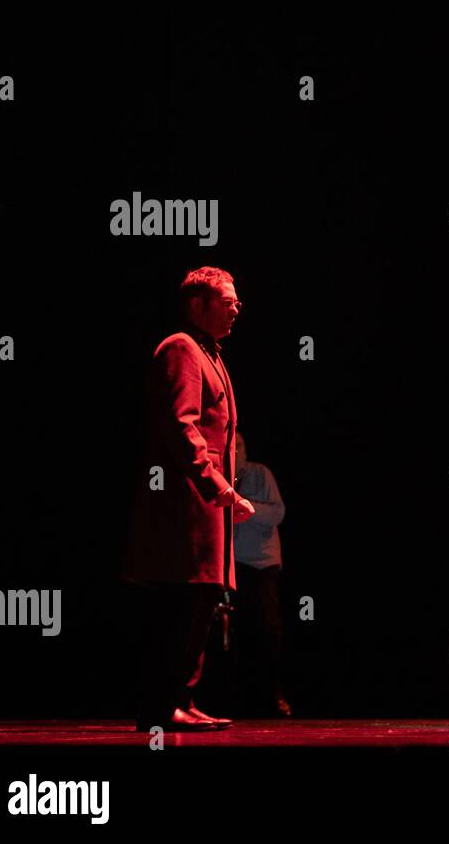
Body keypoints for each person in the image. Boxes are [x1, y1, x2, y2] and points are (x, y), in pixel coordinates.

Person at [123, 266, 255, 732]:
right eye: (228, 299)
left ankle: (180, 698)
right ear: (198, 305)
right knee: (181, 602)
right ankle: (161, 707)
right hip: (185, 507)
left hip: (204, 509)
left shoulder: (209, 354)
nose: (237, 307)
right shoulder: (181, 348)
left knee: (200, 602)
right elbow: (182, 426)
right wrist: (218, 487)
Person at [231, 430, 292, 717]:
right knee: (235, 634)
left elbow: (277, 513)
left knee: (267, 631)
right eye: (231, 446)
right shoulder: (217, 478)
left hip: (261, 565)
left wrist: (246, 507)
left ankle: (273, 695)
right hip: (231, 567)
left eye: (239, 445)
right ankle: (240, 697)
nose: (234, 451)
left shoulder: (260, 474)